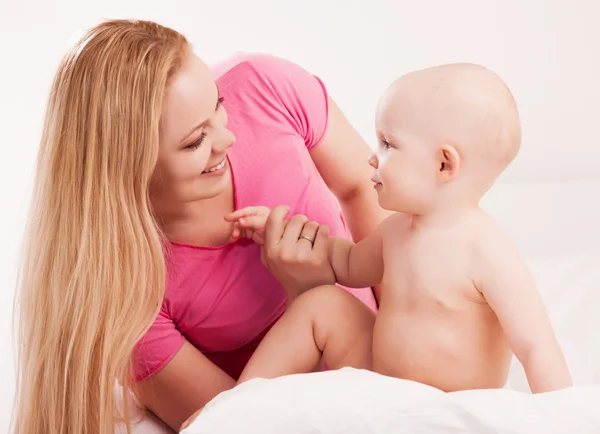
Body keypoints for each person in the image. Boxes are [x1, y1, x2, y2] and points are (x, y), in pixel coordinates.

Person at [12, 19, 387, 434]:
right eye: (195, 142)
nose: (228, 139)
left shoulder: (264, 85)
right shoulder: (123, 296)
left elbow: (362, 188)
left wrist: (407, 336)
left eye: (219, 103)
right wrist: (306, 296)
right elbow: (234, 423)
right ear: (126, 170)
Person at [226, 63, 573, 395]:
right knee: (320, 303)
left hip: (452, 401)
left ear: (443, 163)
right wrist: (281, 229)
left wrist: (562, 416)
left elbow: (535, 345)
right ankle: (236, 407)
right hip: (380, 376)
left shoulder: (484, 250)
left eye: (388, 144)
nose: (372, 157)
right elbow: (346, 264)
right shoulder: (395, 230)